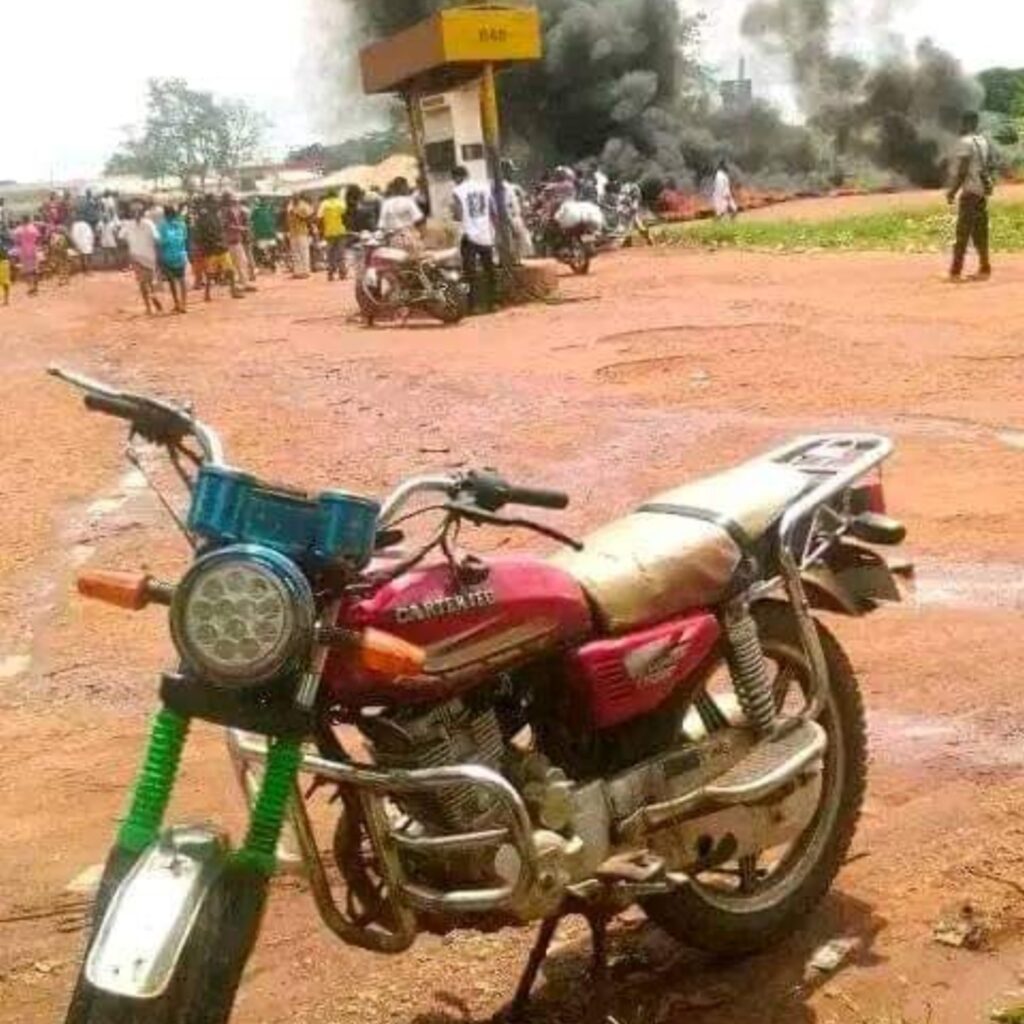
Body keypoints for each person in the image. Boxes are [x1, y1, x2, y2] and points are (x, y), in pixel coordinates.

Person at [948, 111, 993, 282]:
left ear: (966, 123)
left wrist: (952, 191)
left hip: (969, 192)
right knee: (980, 232)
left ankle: (955, 272)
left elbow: (962, 171)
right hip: (981, 192)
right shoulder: (983, 141)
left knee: (962, 234)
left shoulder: (965, 142)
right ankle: (985, 268)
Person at [451, 166, 497, 314]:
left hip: (469, 236)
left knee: (469, 273)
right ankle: (493, 303)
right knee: (489, 270)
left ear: (457, 177)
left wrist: (453, 214)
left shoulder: (457, 191)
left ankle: (472, 305)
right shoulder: (484, 187)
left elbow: (458, 215)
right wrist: (494, 230)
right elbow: (493, 210)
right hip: (486, 234)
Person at [194, 194, 242, 301]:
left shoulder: (217, 215)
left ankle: (232, 291)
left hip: (221, 248)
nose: (216, 204)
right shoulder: (204, 218)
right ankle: (207, 294)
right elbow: (199, 235)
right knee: (210, 273)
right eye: (214, 202)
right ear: (209, 203)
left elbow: (221, 230)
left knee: (229, 270)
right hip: (212, 249)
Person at [121, 202, 164, 314]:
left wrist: (130, 242)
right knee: (146, 283)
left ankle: (150, 304)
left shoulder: (129, 224)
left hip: (141, 257)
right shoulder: (147, 223)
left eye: (136, 211)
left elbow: (120, 237)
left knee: (145, 283)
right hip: (145, 257)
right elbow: (157, 239)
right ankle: (150, 303)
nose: (135, 214)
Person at [378, 177, 425, 253]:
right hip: (410, 237)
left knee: (397, 263)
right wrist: (422, 236)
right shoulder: (408, 201)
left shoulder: (386, 204)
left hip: (394, 240)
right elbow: (419, 219)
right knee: (414, 262)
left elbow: (382, 226)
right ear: (404, 187)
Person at [222, 193, 257, 291]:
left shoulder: (238, 211)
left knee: (242, 262)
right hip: (230, 240)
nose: (236, 203)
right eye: (233, 201)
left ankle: (243, 283)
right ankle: (238, 285)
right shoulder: (226, 212)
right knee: (235, 263)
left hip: (236, 239)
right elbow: (226, 226)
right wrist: (240, 228)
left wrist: (242, 229)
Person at [157, 205, 189, 314]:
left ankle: (177, 303)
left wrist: (159, 257)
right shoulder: (181, 224)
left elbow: (160, 243)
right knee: (182, 280)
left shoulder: (162, 226)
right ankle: (183, 304)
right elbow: (185, 238)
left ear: (165, 214)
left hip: (168, 257)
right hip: (180, 255)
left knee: (172, 281)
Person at [317, 188, 348, 281]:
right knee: (341, 254)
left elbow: (319, 217)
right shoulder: (341, 203)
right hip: (340, 231)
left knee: (330, 254)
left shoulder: (324, 204)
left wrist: (320, 230)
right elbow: (346, 215)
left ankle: (330, 274)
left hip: (329, 232)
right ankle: (342, 273)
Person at [285, 192, 314, 279]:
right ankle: (297, 272)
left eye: (295, 197)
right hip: (292, 232)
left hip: (302, 232)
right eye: (293, 197)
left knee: (304, 252)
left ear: (299, 197)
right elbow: (287, 218)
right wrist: (287, 230)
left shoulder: (304, 205)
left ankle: (306, 271)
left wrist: (299, 216)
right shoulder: (290, 205)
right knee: (295, 253)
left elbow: (310, 218)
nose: (294, 199)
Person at [13, 216, 41, 296]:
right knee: (35, 270)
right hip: (33, 250)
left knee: (27, 271)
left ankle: (30, 288)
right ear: (28, 220)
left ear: (22, 220)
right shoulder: (33, 228)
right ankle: (35, 287)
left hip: (24, 252)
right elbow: (38, 238)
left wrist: (21, 244)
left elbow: (17, 241)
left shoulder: (18, 230)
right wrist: (36, 245)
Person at [249, 196, 278, 270]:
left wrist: (253, 232)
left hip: (260, 235)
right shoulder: (269, 209)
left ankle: (268, 262)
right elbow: (274, 221)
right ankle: (272, 262)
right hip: (270, 234)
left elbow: (251, 221)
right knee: (271, 249)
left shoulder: (256, 210)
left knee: (262, 250)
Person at [0, 230, 11, 306]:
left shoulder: (2, 241)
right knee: (5, 283)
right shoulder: (3, 240)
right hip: (4, 262)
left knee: (5, 283)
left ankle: (6, 300)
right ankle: (6, 300)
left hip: (3, 262)